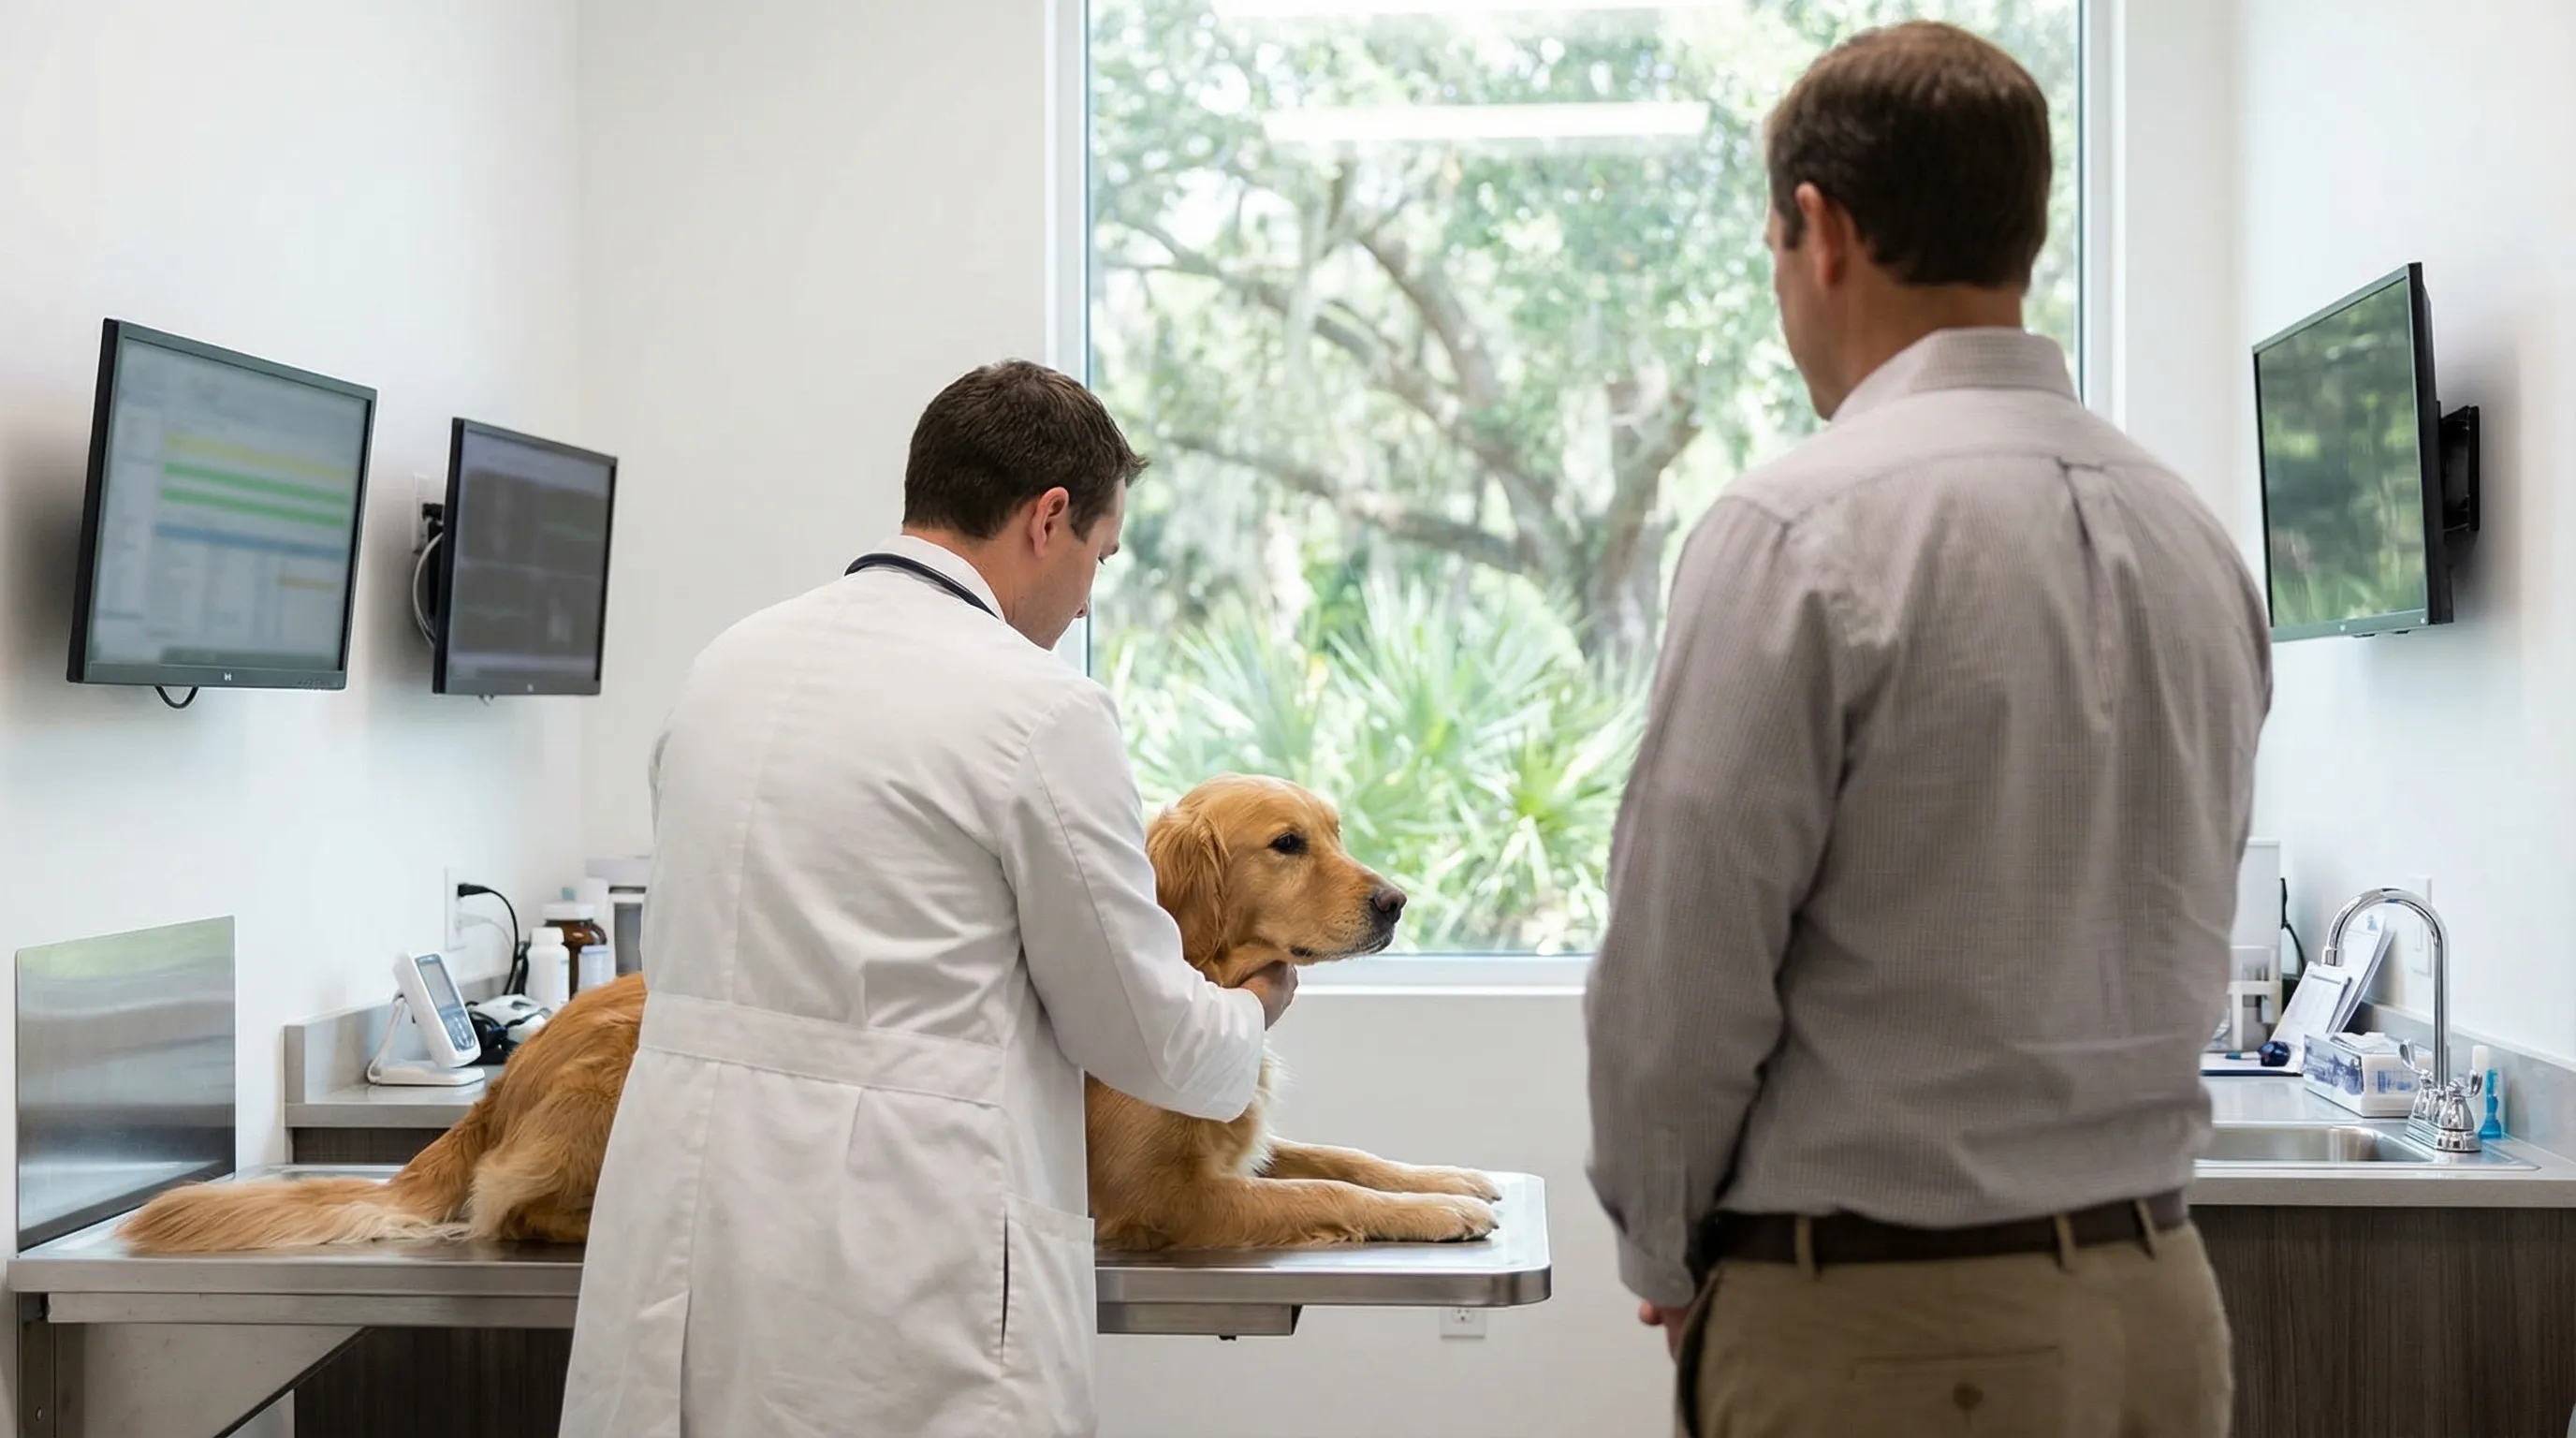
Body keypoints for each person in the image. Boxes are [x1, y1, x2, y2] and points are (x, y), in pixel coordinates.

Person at [1585, 21, 2271, 1437]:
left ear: (1820, 232)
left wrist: (1667, 1249)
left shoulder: (1798, 529)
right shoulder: (2195, 538)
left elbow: (1681, 981)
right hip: (2163, 1320)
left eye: (1776, 251)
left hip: (1895, 1330)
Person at [559, 360, 1295, 1437]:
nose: (1090, 591)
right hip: (895, 1260)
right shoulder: (1039, 710)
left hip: (684, 1217)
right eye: (1100, 553)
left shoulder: (731, 662)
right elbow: (1140, 1033)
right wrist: (1257, 1006)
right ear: (1050, 518)